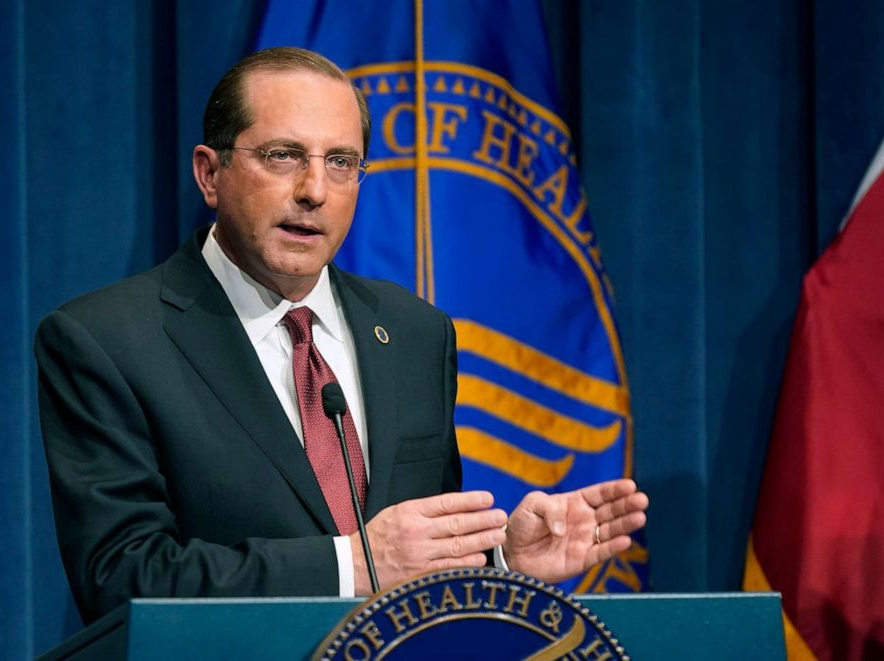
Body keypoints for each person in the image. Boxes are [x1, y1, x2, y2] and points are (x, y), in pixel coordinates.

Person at [35, 47, 648, 625]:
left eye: (341, 162)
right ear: (210, 174)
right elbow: (121, 578)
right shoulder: (108, 342)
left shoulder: (415, 333)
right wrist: (350, 564)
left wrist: (500, 562)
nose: (314, 190)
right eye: (282, 156)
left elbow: (410, 565)